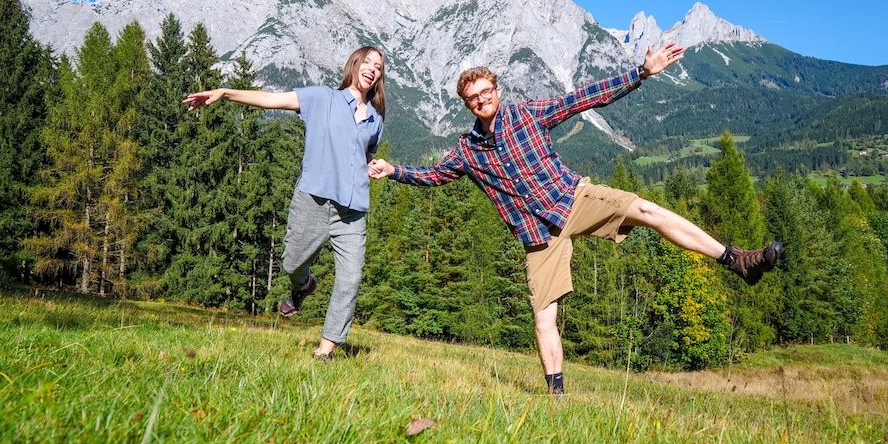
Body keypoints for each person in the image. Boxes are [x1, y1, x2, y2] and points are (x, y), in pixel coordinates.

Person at [368, 42, 781, 393]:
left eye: (486, 91)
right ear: (467, 104)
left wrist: (641, 73)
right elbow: (434, 175)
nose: (482, 99)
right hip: (537, 236)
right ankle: (557, 396)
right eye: (473, 97)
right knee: (543, 316)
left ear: (497, 89)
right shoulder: (467, 150)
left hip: (573, 200)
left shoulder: (528, 114)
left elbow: (584, 97)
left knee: (645, 208)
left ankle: (736, 260)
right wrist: (394, 170)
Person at [184, 46, 386, 360]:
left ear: (379, 77)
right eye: (368, 62)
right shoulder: (322, 99)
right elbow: (270, 99)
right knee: (292, 264)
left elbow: (364, 153)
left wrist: (372, 165)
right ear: (355, 64)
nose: (372, 69)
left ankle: (325, 351)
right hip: (313, 200)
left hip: (353, 209)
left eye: (378, 66)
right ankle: (303, 286)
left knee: (351, 278)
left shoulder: (375, 118)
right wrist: (224, 92)